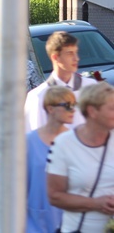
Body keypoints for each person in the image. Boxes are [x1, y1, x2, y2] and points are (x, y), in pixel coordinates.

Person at [46, 82, 114, 233]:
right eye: (112, 109)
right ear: (92, 111)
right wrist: (96, 203)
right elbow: (55, 196)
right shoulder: (64, 144)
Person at [25, 31, 97, 132]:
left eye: (76, 52)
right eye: (69, 53)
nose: (76, 58)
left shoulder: (92, 89)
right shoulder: (37, 97)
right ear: (55, 57)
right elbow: (35, 139)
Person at [26, 86, 74, 233]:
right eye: (67, 106)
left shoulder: (76, 141)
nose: (72, 110)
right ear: (50, 108)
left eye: (73, 105)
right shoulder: (29, 142)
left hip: (70, 220)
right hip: (35, 222)